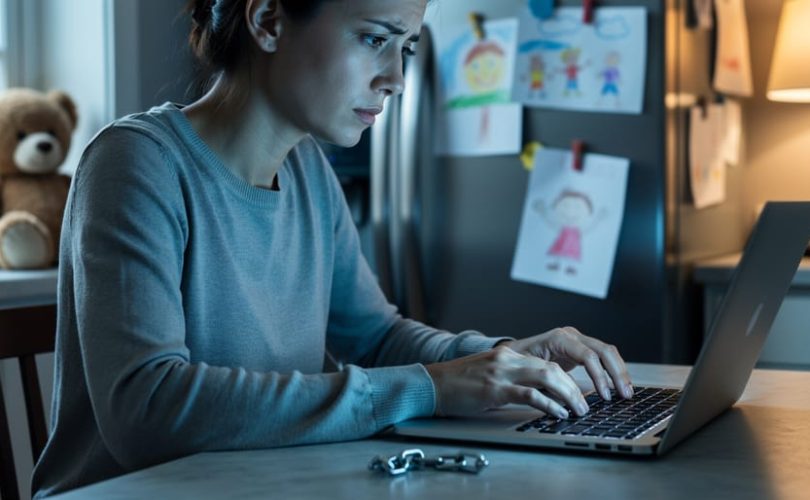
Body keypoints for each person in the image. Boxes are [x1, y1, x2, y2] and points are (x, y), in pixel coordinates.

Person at [32, 0, 634, 496]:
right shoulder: (137, 164)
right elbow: (148, 410)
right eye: (375, 39)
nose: (396, 78)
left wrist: (500, 361)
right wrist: (431, 386)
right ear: (267, 20)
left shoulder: (309, 173)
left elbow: (375, 338)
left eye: (406, 49)